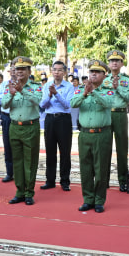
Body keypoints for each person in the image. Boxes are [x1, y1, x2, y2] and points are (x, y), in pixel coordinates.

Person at [72, 60, 117, 212]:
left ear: (105, 75)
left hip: (101, 134)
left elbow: (107, 103)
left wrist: (93, 92)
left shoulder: (108, 90)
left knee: (100, 168)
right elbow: (72, 103)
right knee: (85, 168)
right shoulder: (80, 89)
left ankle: (99, 200)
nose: (93, 74)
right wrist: (85, 93)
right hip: (84, 134)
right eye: (91, 72)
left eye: (97, 72)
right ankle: (88, 199)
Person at [1, 57, 42, 205]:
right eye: (17, 69)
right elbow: (4, 105)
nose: (19, 72)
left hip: (30, 126)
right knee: (17, 160)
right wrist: (12, 93)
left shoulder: (35, 86)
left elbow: (38, 101)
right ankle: (19, 191)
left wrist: (22, 91)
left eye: (23, 69)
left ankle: (29, 192)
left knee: (30, 161)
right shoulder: (9, 86)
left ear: (29, 71)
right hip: (14, 126)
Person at [40, 60, 75, 191]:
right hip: (49, 119)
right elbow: (42, 105)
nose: (57, 72)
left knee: (65, 151)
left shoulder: (69, 87)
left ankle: (65, 181)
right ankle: (50, 180)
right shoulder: (46, 85)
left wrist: (56, 94)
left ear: (64, 72)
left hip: (63, 120)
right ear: (51, 71)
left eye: (60, 70)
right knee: (50, 151)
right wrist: (49, 94)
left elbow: (67, 105)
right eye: (55, 69)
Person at [106, 50, 129, 193]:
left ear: (122, 63)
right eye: (112, 60)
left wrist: (118, 88)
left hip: (120, 114)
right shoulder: (103, 79)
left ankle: (123, 181)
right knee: (104, 149)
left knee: (122, 149)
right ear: (108, 63)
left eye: (117, 61)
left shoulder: (127, 80)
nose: (114, 63)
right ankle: (103, 179)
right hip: (106, 115)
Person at [0, 67, 16, 182]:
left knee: (19, 146)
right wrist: (9, 97)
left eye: (16, 70)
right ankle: (9, 172)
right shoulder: (4, 84)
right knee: (7, 145)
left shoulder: (25, 84)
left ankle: (20, 172)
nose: (13, 72)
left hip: (19, 117)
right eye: (11, 70)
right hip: (7, 117)